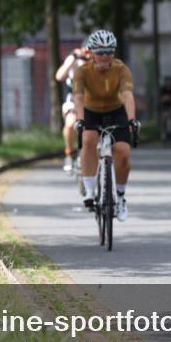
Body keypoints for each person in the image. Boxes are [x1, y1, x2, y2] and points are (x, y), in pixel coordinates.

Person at [73, 29, 139, 221]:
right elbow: (78, 97)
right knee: (88, 139)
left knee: (123, 153)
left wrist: (131, 119)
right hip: (90, 111)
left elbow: (127, 95)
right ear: (91, 53)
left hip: (115, 112)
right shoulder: (82, 71)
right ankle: (89, 190)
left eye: (109, 52)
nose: (105, 56)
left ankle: (120, 196)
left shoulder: (121, 69)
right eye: (100, 52)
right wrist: (80, 120)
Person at [56, 46, 90, 174]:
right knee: (70, 124)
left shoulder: (100, 60)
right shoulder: (75, 60)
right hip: (73, 100)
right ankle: (69, 154)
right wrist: (73, 57)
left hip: (93, 101)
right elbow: (59, 76)